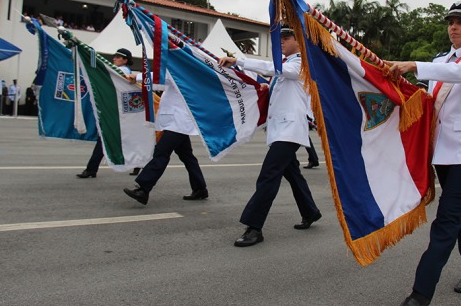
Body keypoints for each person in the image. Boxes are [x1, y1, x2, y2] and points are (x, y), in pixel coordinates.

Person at [389, 1, 461, 306]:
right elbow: (430, 99)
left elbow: (459, 74)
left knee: (447, 219)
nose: (454, 27)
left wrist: (412, 65)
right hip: (444, 151)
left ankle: (420, 294)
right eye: (451, 22)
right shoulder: (440, 60)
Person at [219, 26, 322, 247]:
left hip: (290, 131)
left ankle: (254, 227)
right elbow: (271, 76)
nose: (281, 41)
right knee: (291, 173)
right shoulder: (284, 66)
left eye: (286, 37)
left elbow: (273, 68)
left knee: (268, 176)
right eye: (279, 38)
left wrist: (238, 61)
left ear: (299, 41)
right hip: (280, 130)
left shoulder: (301, 63)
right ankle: (310, 211)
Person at [123, 74, 208, 205]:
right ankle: (200, 188)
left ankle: (143, 189)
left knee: (161, 153)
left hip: (177, 123)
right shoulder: (185, 72)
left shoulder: (179, 71)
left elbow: (160, 77)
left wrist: (137, 76)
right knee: (188, 157)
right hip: (178, 123)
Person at [77, 48, 141, 178]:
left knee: (108, 138)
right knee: (109, 139)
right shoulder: (120, 71)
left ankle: (91, 169)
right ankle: (92, 169)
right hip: (116, 111)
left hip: (119, 113)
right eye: (115, 56)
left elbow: (103, 70)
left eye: (118, 57)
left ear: (125, 60)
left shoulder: (121, 71)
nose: (114, 59)